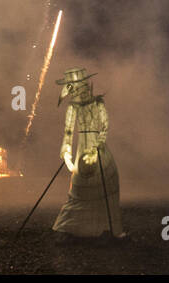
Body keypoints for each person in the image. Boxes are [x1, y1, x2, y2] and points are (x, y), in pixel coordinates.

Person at [51, 68, 126, 241]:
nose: (79, 91)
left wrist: (96, 148)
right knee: (78, 191)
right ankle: (68, 228)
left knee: (106, 186)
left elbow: (104, 127)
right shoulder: (73, 107)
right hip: (82, 150)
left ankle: (107, 228)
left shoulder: (98, 104)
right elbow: (68, 131)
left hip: (98, 150)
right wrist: (66, 152)